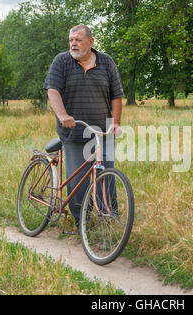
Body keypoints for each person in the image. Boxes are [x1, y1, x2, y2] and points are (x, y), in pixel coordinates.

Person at [43, 24, 124, 229]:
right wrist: (62, 115)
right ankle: (82, 222)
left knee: (106, 175)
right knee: (78, 180)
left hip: (102, 132)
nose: (73, 44)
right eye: (71, 40)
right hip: (74, 131)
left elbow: (116, 96)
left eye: (78, 40)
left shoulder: (106, 62)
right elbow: (53, 91)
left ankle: (109, 218)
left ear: (91, 42)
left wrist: (115, 123)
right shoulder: (61, 61)